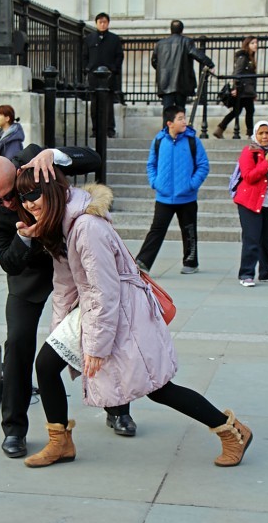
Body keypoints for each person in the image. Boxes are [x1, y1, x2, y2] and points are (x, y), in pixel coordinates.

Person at [14, 168, 253, 469]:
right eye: (23, 197)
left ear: (52, 190)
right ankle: (60, 442)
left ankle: (232, 431)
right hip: (95, 307)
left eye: (33, 194)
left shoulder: (86, 227)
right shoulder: (61, 224)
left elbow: (105, 289)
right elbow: (64, 285)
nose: (29, 203)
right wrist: (60, 330)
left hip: (124, 311)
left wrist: (97, 346)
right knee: (47, 364)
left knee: (157, 387)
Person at [0, 145, 136, 460]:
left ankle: (118, 408)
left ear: (18, 173)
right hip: (31, 274)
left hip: (74, 262)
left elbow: (93, 159)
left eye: (11, 194)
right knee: (19, 343)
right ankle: (14, 430)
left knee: (100, 331)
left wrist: (56, 154)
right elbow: (10, 262)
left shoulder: (38, 163)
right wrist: (24, 236)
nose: (8, 203)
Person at [134, 105, 209, 275]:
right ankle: (143, 261)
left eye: (184, 118)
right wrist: (155, 182)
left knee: (189, 230)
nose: (185, 121)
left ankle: (191, 262)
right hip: (164, 196)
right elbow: (151, 164)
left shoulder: (192, 140)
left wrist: (191, 185)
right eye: (180, 118)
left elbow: (203, 166)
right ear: (170, 123)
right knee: (157, 229)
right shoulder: (159, 140)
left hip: (187, 196)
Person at [234, 120, 268, 287]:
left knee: (267, 239)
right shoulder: (249, 152)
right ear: (255, 135)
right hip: (250, 202)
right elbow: (249, 176)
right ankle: (246, 273)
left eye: (267, 133)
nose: (265, 136)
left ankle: (266, 272)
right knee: (252, 238)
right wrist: (266, 161)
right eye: (261, 133)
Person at [152, 19, 214, 125]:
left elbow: (154, 62)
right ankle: (179, 134)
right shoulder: (186, 41)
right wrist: (210, 64)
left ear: (171, 30)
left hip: (165, 82)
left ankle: (166, 135)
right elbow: (196, 54)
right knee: (180, 110)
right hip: (181, 82)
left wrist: (163, 71)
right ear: (182, 30)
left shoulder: (160, 44)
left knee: (167, 111)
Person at [82, 12, 124, 138]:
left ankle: (110, 129)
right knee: (94, 105)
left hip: (108, 76)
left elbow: (119, 56)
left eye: (105, 22)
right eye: (100, 22)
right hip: (94, 76)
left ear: (108, 23)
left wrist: (114, 69)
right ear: (96, 23)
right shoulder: (89, 39)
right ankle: (95, 130)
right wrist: (87, 68)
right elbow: (84, 56)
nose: (102, 24)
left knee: (108, 104)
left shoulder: (114, 39)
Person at [213, 36, 258, 140]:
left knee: (237, 111)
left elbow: (252, 78)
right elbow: (237, 73)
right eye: (252, 43)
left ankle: (220, 128)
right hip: (243, 90)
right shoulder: (243, 58)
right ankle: (250, 134)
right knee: (249, 111)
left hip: (247, 91)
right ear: (247, 45)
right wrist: (235, 88)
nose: (255, 45)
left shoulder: (250, 58)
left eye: (256, 43)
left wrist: (254, 93)